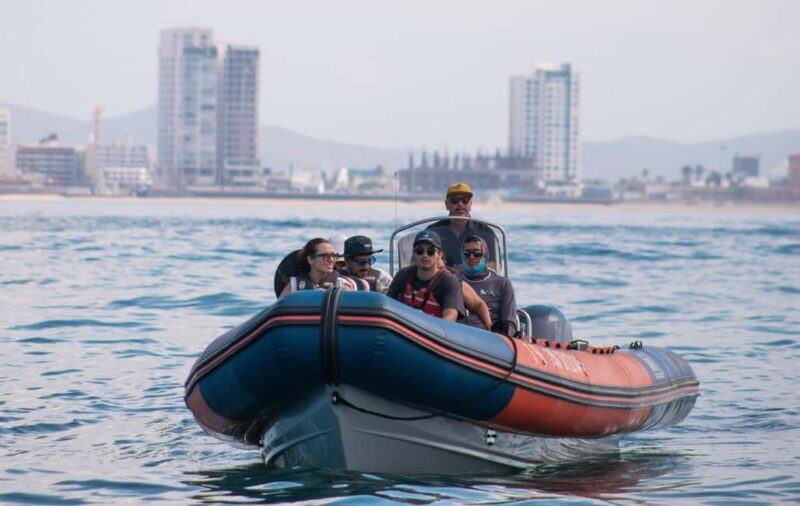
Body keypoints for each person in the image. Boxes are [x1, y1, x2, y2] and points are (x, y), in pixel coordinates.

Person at [386, 230, 465, 321]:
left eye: (430, 251)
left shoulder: (449, 282)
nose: (425, 255)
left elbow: (450, 317)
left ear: (439, 254)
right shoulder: (403, 275)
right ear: (414, 253)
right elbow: (388, 305)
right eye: (420, 251)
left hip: (434, 332)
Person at [427, 182, 497, 268]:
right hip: (441, 279)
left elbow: (494, 264)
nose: (460, 204)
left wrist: (468, 269)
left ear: (470, 204)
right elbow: (419, 259)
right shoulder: (433, 231)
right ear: (446, 204)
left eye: (465, 200)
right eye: (454, 201)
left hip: (475, 280)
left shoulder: (486, 232)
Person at [459, 235, 518, 336]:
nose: (472, 257)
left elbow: (509, 323)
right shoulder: (454, 281)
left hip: (489, 337)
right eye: (467, 253)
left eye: (477, 253)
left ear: (485, 256)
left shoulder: (502, 284)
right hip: (459, 335)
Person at [273, 233, 347, 297]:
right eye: (325, 256)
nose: (331, 260)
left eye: (334, 256)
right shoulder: (294, 284)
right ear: (311, 259)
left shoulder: (341, 283)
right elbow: (277, 308)